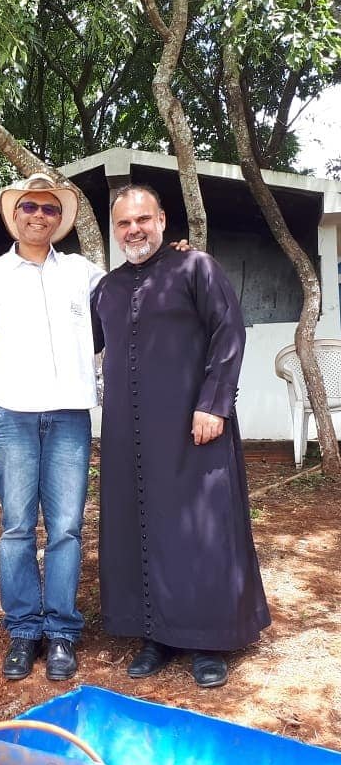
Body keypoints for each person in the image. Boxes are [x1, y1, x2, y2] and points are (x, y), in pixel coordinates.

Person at [91, 184, 271, 688]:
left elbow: (229, 331)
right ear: (114, 230)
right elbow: (78, 343)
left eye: (143, 219)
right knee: (140, 527)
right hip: (128, 433)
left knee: (202, 529)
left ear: (163, 220)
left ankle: (210, 640)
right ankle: (156, 636)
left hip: (194, 425)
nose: (134, 230)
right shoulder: (105, 289)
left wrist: (214, 403)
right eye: (124, 223)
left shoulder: (196, 268)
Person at [0, 173, 105, 682]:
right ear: (15, 215)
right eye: (30, 207)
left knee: (65, 528)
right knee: (17, 527)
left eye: (49, 209)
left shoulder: (83, 273)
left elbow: (134, 290)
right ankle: (23, 630)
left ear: (59, 220)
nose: (39, 215)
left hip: (69, 416)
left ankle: (61, 632)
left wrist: (173, 258)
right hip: (12, 416)